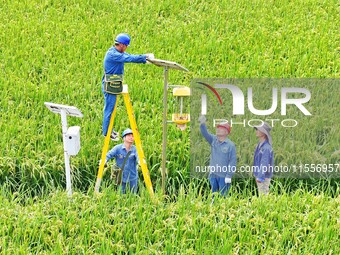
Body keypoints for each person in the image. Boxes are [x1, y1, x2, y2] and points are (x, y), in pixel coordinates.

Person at [102, 33, 153, 140]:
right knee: (109, 108)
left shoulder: (115, 51)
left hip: (114, 83)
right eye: (125, 46)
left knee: (110, 108)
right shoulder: (114, 55)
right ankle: (106, 132)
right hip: (110, 85)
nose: (125, 49)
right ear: (121, 45)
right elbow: (129, 58)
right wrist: (145, 58)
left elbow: (128, 55)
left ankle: (109, 130)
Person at [199, 115, 237, 197]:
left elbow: (232, 162)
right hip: (213, 174)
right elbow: (205, 133)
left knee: (223, 196)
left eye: (221, 128)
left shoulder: (230, 145)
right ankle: (213, 208)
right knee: (213, 194)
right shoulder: (213, 140)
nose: (218, 130)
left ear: (226, 132)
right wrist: (202, 123)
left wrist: (229, 175)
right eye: (218, 128)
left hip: (224, 176)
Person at [105, 128, 139, 194]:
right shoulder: (118, 148)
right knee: (121, 194)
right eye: (129, 136)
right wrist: (104, 160)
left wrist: (141, 161)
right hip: (121, 178)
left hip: (132, 177)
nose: (131, 137)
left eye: (132, 136)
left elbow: (139, 156)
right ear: (124, 138)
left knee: (133, 195)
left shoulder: (135, 149)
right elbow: (109, 154)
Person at [253, 122, 274, 195]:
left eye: (258, 129)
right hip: (259, 174)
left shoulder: (266, 148)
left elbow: (264, 163)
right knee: (261, 194)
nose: (257, 131)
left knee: (263, 195)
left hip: (263, 176)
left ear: (264, 133)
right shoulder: (259, 145)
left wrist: (260, 177)